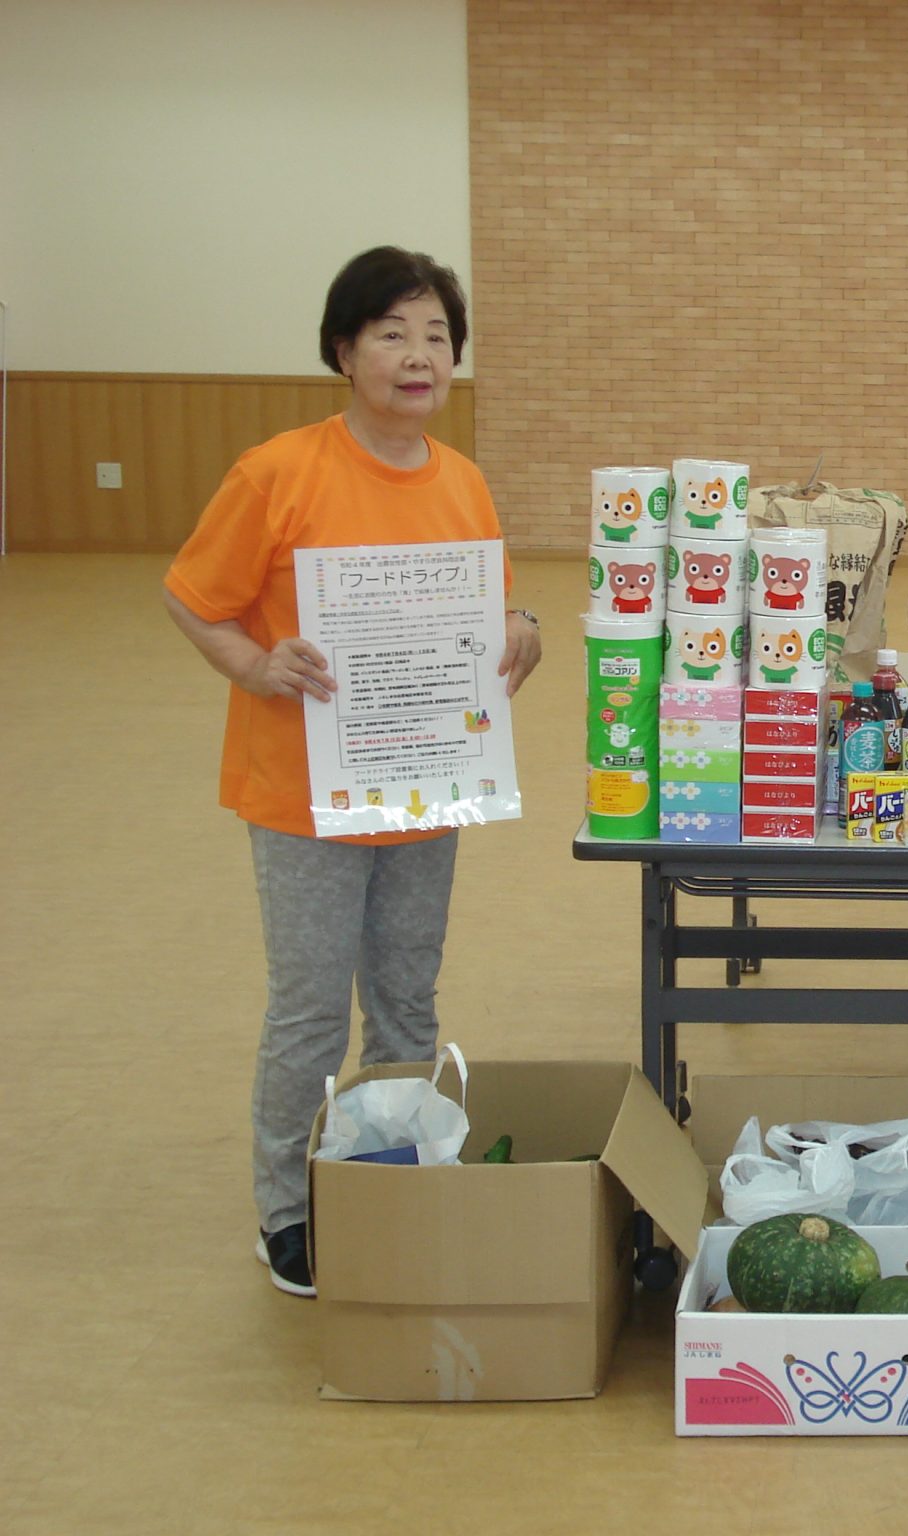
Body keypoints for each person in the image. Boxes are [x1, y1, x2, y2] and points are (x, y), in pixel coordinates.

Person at [164, 248, 542, 1295]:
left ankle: (393, 1173)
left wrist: (520, 626)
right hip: (303, 799)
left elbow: (491, 606)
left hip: (426, 784)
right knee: (308, 1010)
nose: (417, 357)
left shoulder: (461, 482)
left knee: (408, 1000)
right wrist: (255, 661)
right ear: (343, 349)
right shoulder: (278, 473)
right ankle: (289, 1212)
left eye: (435, 338)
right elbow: (194, 596)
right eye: (391, 333)